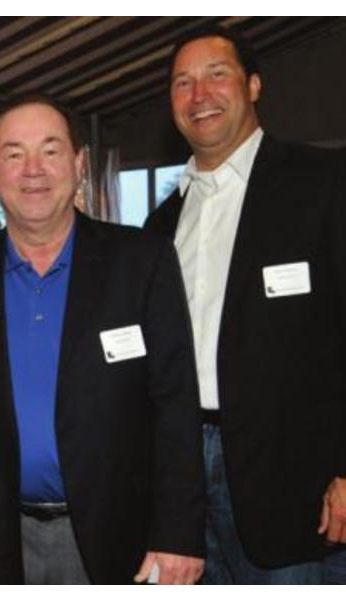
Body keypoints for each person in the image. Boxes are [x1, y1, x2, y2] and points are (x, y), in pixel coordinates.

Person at [0, 94, 205, 584]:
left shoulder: (141, 262)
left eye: (50, 150)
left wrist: (179, 533)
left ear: (79, 163)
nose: (33, 170)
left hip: (120, 540)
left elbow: (176, 403)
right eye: (14, 154)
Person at [145, 25, 346, 584]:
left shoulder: (325, 182)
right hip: (185, 479)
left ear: (253, 85)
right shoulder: (160, 226)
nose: (199, 95)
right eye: (182, 82)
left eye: (216, 75)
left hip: (299, 490)